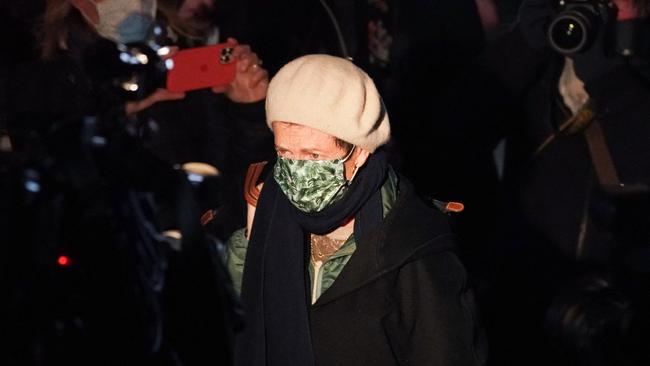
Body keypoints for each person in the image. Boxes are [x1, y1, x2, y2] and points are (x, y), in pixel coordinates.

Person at [225, 54, 487, 366]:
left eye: (313, 154)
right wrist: (252, 242)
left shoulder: (416, 248)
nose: (297, 170)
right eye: (285, 152)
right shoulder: (267, 211)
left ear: (359, 152)